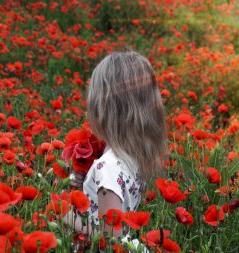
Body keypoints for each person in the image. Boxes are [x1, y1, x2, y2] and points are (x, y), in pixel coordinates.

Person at [62, 50, 168, 251]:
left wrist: (67, 217)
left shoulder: (108, 166)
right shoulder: (133, 155)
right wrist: (87, 184)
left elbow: (110, 239)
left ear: (104, 107)